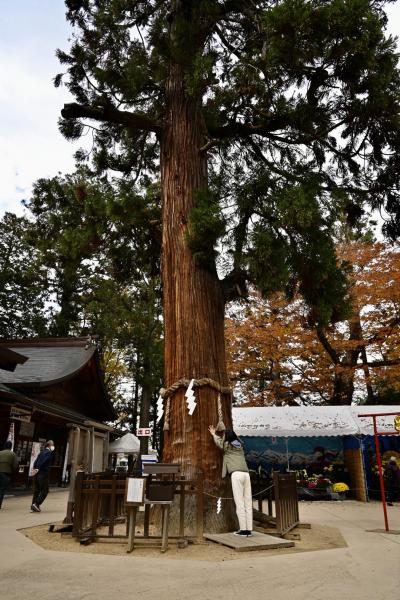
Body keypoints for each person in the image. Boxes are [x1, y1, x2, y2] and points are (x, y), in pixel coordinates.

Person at [209, 425, 253, 537]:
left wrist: (214, 434)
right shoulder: (240, 445)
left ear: (226, 437)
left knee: (239, 502)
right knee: (248, 502)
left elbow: (219, 443)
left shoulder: (227, 446)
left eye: (224, 435)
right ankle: (249, 529)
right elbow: (233, 439)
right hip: (246, 474)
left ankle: (243, 530)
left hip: (236, 474)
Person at [30, 440, 55, 512]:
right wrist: (38, 468)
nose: (53, 446)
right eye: (53, 445)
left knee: (37, 490)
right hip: (43, 473)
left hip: (37, 474)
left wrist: (35, 469)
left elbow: (36, 461)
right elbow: (43, 461)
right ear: (49, 445)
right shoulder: (48, 452)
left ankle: (33, 506)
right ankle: (36, 504)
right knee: (45, 490)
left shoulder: (42, 452)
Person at [0, 441, 18, 509]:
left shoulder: (0, 452)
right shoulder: (12, 454)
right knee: (1, 489)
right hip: (5, 473)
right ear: (11, 447)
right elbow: (15, 465)